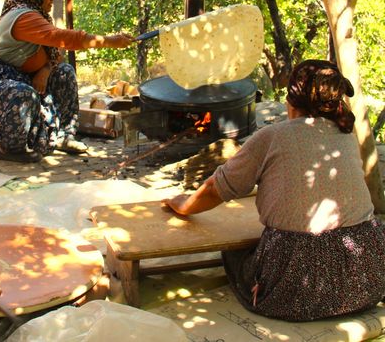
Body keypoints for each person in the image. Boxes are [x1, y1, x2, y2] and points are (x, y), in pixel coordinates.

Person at [164, 60, 385, 321]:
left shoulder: (273, 136)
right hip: (367, 277)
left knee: (235, 252)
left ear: (291, 100)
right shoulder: (345, 135)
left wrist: (184, 204)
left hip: (297, 293)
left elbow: (215, 189)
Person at [0, 0, 133, 163]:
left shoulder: (39, 17)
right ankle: (11, 148)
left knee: (64, 72)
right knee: (22, 93)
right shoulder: (22, 17)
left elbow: (55, 52)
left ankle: (65, 136)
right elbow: (63, 39)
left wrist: (45, 70)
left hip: (23, 77)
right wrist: (110, 41)